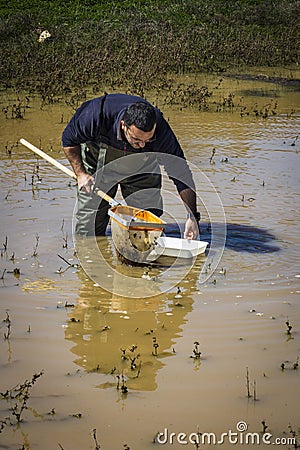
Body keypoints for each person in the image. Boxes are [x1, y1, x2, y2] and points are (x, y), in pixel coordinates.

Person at [62, 93, 200, 239]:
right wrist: (80, 174)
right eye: (137, 139)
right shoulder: (96, 114)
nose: (141, 144)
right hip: (97, 166)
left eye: (148, 139)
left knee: (149, 225)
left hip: (142, 169)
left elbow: (181, 174)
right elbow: (68, 140)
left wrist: (193, 217)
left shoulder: (161, 130)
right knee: (87, 230)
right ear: (123, 125)